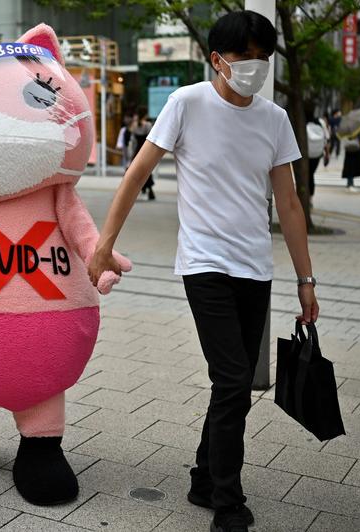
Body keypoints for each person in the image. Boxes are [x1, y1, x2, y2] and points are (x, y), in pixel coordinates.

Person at [87, 11, 319, 532]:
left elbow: (289, 204)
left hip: (256, 270)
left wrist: (306, 281)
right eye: (246, 58)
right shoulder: (187, 104)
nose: (257, 67)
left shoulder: (274, 119)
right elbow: (136, 173)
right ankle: (227, 500)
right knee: (235, 380)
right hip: (204, 265)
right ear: (217, 59)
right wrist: (104, 245)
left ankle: (202, 475)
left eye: (265, 58)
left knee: (229, 384)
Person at [130, 106, 155, 200]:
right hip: (145, 150)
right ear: (145, 114)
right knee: (147, 171)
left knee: (135, 170)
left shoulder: (134, 125)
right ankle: (149, 190)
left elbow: (133, 139)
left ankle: (138, 190)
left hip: (136, 150)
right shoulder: (148, 125)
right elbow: (150, 139)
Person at [305, 104, 328, 202]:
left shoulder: (301, 122)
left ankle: (305, 197)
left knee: (307, 175)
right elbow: (326, 138)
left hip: (305, 155)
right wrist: (327, 154)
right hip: (317, 154)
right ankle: (310, 198)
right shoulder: (320, 122)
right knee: (311, 174)